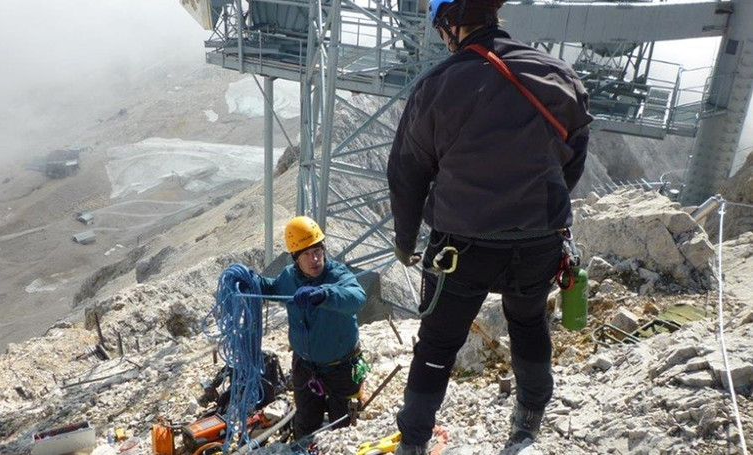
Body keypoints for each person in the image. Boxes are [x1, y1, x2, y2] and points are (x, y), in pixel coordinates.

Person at [386, 0, 593, 452]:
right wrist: (541, 211)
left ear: (450, 26)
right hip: (540, 239)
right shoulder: (558, 75)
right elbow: (572, 159)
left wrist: (406, 241)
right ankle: (527, 423)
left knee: (438, 344)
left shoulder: (437, 86)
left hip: (460, 247)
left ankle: (414, 443)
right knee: (528, 320)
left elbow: (407, 173)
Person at [252, 215, 367, 439]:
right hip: (305, 366)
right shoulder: (289, 277)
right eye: (306, 254)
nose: (314, 259)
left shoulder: (337, 275)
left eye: (318, 251)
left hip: (341, 367)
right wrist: (253, 282)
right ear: (295, 258)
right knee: (305, 424)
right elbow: (275, 290)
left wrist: (325, 294)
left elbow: (357, 297)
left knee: (342, 429)